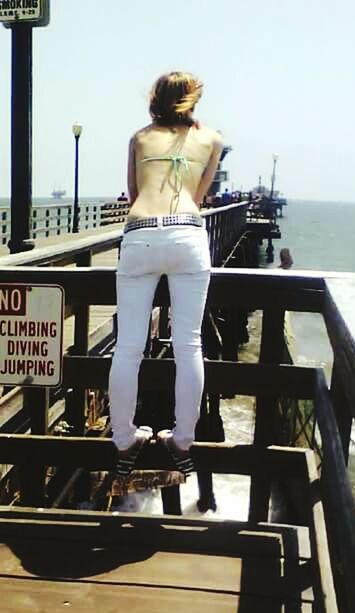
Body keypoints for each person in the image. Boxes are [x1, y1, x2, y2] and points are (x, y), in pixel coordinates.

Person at [108, 71, 223, 478]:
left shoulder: (139, 138)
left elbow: (135, 195)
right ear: (192, 99)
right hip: (187, 234)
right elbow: (199, 196)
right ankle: (183, 439)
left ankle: (123, 440)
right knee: (188, 344)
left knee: (128, 347)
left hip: (140, 235)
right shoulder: (212, 139)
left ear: (156, 98)